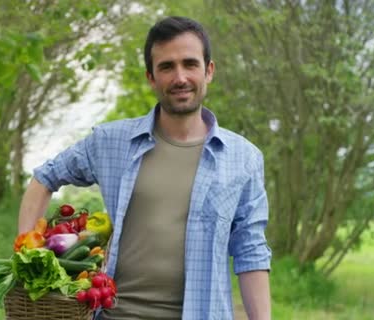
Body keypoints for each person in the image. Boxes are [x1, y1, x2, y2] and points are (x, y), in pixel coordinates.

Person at [18, 16, 272, 320]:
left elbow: (251, 252)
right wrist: (28, 260)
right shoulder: (111, 141)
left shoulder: (243, 158)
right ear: (151, 77)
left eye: (190, 64)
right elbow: (44, 178)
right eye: (167, 67)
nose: (180, 77)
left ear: (209, 71)